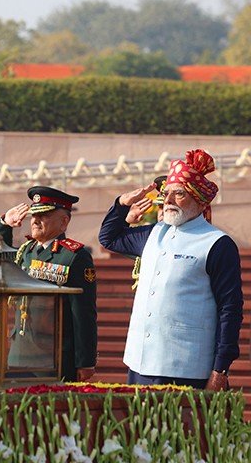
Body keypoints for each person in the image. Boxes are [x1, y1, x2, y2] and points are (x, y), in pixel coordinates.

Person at [98, 149, 243, 391]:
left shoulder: (217, 243)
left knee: (185, 429)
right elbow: (109, 238)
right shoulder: (154, 232)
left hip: (186, 366)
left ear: (198, 199)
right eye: (166, 194)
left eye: (179, 194)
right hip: (140, 361)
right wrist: (122, 205)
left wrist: (221, 369)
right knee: (143, 428)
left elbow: (230, 309)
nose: (168, 201)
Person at [0, 186, 98, 382]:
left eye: (45, 215)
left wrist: (85, 361)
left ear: (64, 221)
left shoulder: (74, 256)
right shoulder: (26, 251)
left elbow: (83, 312)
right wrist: (4, 224)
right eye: (34, 215)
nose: (35, 220)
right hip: (20, 351)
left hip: (53, 355)